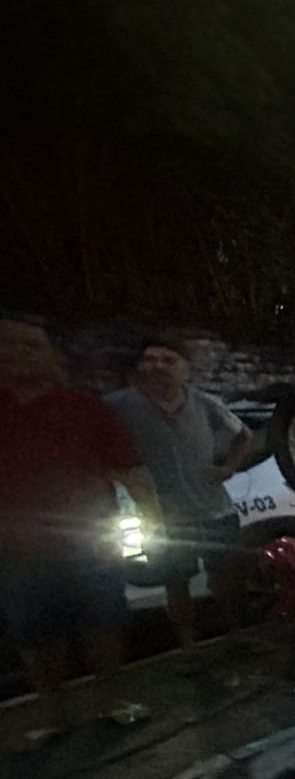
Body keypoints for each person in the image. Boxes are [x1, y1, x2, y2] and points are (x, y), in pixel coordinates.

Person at [0, 315, 161, 739]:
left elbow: (130, 469)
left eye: (31, 346)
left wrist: (155, 518)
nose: (17, 354)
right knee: (35, 637)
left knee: (104, 624)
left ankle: (111, 700)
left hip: (90, 543)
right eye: (7, 345)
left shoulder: (85, 408)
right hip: (16, 553)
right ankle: (54, 716)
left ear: (51, 355)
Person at [106, 340, 253, 651]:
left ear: (185, 368)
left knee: (227, 578)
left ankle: (236, 637)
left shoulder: (205, 403)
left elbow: (243, 436)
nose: (158, 366)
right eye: (151, 359)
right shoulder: (118, 406)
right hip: (163, 516)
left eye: (168, 360)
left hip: (214, 508)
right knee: (176, 584)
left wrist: (228, 468)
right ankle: (189, 647)